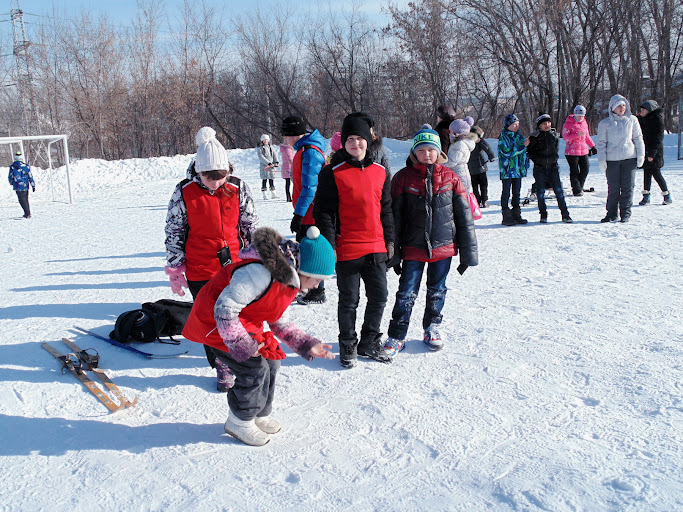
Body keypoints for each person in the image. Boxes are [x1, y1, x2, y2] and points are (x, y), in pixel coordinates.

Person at [182, 226, 336, 446]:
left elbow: (279, 322)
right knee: (254, 369)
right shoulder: (258, 273)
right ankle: (239, 421)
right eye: (317, 279)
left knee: (271, 362)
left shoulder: (289, 282)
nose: (318, 285)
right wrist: (243, 346)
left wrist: (306, 345)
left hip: (243, 322)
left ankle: (258, 413)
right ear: (305, 271)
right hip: (215, 324)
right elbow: (224, 310)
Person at [165, 126, 258, 391]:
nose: (216, 182)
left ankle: (242, 358)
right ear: (198, 171)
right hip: (200, 267)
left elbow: (250, 225)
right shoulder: (183, 192)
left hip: (234, 265)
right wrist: (175, 267)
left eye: (221, 176)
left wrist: (254, 258)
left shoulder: (238, 188)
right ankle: (222, 366)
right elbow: (174, 230)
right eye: (209, 177)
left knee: (236, 315)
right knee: (209, 319)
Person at [383, 128, 478, 357]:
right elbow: (394, 218)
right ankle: (397, 334)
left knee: (437, 290)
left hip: (443, 248)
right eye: (422, 150)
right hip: (413, 248)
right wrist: (394, 253)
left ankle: (432, 327)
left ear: (439, 152)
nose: (427, 154)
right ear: (414, 153)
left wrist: (467, 254)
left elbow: (464, 218)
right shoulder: (402, 178)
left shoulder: (451, 177)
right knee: (406, 292)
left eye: (431, 150)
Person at [313, 112, 395, 368]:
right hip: (346, 248)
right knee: (349, 300)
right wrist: (329, 245)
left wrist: (391, 241)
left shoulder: (381, 171)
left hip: (376, 247)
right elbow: (322, 212)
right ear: (343, 142)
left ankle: (370, 341)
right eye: (350, 139)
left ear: (368, 141)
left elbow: (387, 209)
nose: (356, 144)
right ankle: (347, 344)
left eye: (360, 138)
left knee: (379, 296)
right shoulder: (332, 172)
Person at [280, 115, 328, 304]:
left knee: (311, 252)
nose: (285, 140)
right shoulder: (304, 150)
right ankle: (309, 288)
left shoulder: (309, 152)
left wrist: (298, 215)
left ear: (293, 134)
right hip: (307, 212)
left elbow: (309, 189)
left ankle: (317, 290)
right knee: (306, 251)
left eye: (286, 135)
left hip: (311, 214)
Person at [596, 95, 645, 223]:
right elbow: (601, 143)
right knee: (613, 188)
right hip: (612, 160)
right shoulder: (605, 123)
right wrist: (602, 160)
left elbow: (638, 138)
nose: (622, 108)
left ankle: (626, 213)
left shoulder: (632, 120)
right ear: (612, 107)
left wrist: (641, 155)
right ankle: (611, 213)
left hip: (629, 159)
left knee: (628, 187)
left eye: (623, 105)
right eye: (619, 105)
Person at [526, 114, 572, 223]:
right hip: (539, 168)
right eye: (544, 123)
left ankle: (565, 215)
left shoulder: (554, 135)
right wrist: (538, 161)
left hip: (553, 167)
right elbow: (530, 152)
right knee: (540, 192)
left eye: (548, 122)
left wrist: (553, 160)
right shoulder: (535, 137)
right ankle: (543, 215)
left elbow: (556, 150)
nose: (546, 125)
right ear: (539, 125)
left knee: (559, 191)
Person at [637, 100, 672, 205]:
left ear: (649, 110)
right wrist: (638, 117)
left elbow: (658, 138)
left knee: (656, 173)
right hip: (646, 149)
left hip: (655, 151)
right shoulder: (645, 119)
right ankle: (646, 196)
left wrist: (652, 154)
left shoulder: (657, 120)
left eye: (643, 110)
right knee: (646, 172)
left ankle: (667, 195)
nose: (641, 112)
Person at [498, 113, 530, 226]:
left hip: (518, 170)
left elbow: (524, 152)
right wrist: (523, 146)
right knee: (506, 192)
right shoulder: (503, 138)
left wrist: (525, 164)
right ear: (508, 125)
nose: (516, 126)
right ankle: (506, 215)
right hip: (507, 170)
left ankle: (516, 213)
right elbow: (507, 152)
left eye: (517, 124)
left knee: (517, 192)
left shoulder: (519, 137)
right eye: (514, 124)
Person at [562, 105, 597, 196]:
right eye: (578, 116)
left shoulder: (584, 122)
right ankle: (576, 189)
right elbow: (565, 137)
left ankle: (579, 187)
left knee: (585, 169)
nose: (580, 118)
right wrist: (576, 135)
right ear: (575, 114)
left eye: (582, 116)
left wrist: (592, 146)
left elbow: (587, 136)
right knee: (574, 170)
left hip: (583, 150)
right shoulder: (568, 123)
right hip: (571, 151)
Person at [445, 117, 476, 194]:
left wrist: (439, 164)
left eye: (451, 131)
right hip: (461, 172)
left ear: (457, 133)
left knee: (461, 195)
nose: (450, 134)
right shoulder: (461, 143)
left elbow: (452, 162)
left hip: (459, 174)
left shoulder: (459, 144)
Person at [468, 125, 495, 208]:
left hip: (471, 169)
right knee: (483, 184)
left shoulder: (467, 142)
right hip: (481, 167)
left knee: (474, 186)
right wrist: (491, 157)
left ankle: (477, 200)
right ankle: (484, 200)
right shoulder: (480, 142)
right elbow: (488, 148)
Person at [8, 150, 35, 219]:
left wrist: (11, 182)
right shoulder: (26, 166)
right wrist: (33, 184)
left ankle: (27, 213)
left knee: (21, 200)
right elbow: (30, 176)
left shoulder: (13, 167)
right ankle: (27, 212)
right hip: (25, 185)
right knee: (25, 199)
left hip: (18, 185)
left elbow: (10, 176)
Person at [257, 134, 280, 200]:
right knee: (264, 179)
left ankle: (273, 193)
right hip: (264, 166)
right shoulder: (260, 148)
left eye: (267, 139)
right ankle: (265, 194)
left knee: (271, 179)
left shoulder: (270, 147)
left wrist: (276, 161)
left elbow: (274, 155)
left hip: (271, 166)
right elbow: (261, 157)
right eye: (264, 140)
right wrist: (268, 163)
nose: (265, 141)